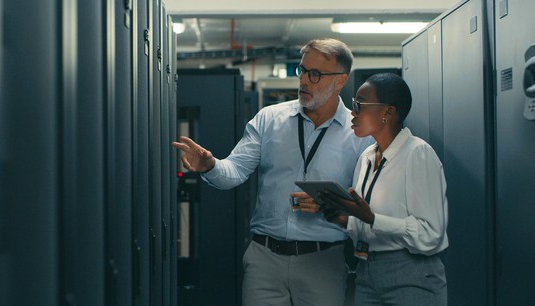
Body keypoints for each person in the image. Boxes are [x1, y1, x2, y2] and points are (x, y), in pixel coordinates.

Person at [172, 38, 373, 306]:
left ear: (340, 81)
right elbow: (235, 171)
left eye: (315, 75)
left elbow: (368, 204)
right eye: (302, 70)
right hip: (265, 259)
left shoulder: (359, 134)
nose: (304, 81)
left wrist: (331, 205)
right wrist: (210, 165)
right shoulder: (269, 119)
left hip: (323, 261)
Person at [319, 73, 449, 305]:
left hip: (411, 275)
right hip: (367, 272)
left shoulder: (417, 153)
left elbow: (431, 234)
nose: (353, 113)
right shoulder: (367, 157)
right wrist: (346, 220)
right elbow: (367, 225)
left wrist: (371, 218)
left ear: (388, 112)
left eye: (360, 105)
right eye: (353, 105)